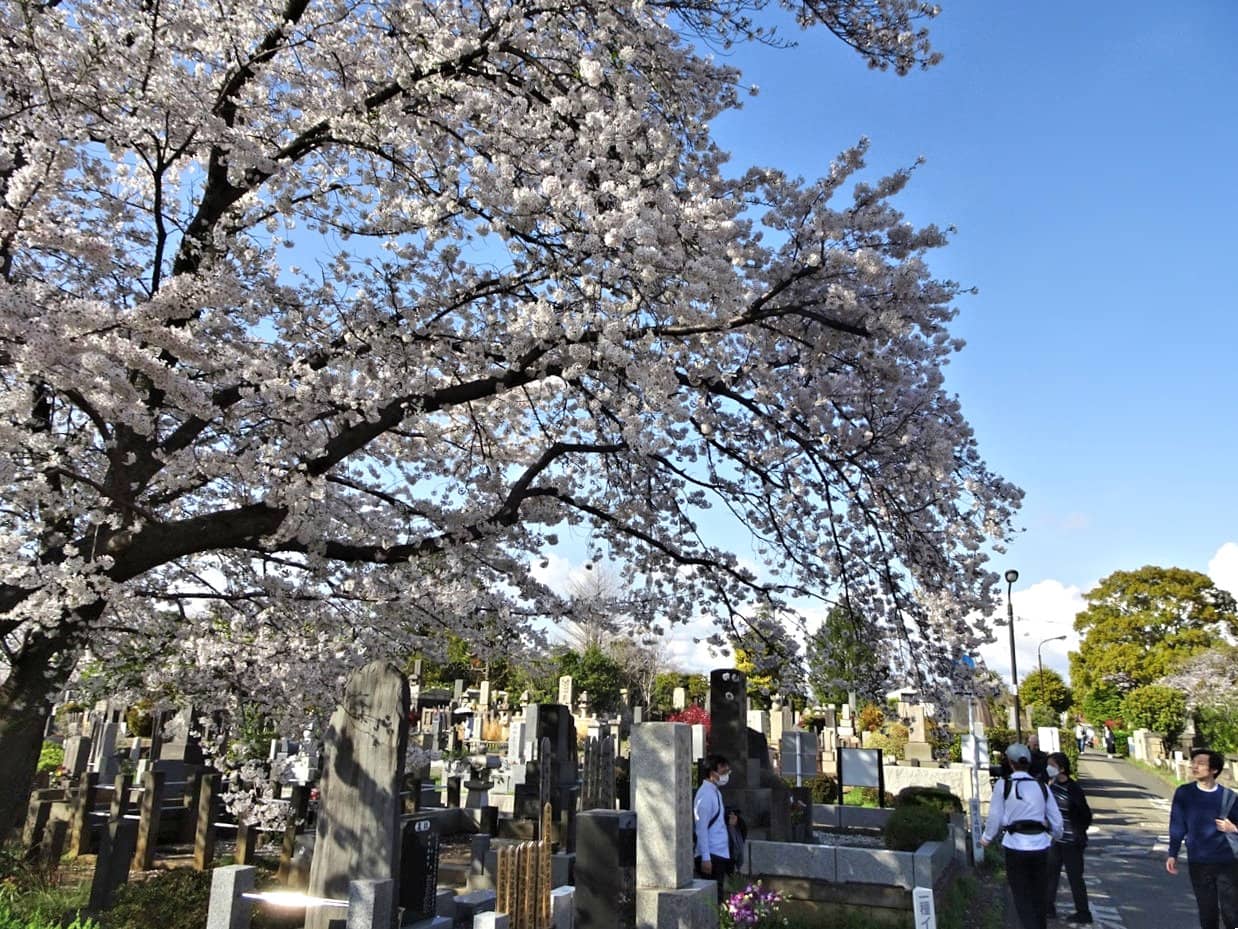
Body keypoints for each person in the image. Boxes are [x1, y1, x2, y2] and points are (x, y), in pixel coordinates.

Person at [982, 743, 1064, 929]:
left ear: (1010, 763)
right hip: (1041, 846)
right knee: (1039, 896)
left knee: (1021, 896)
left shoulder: (1004, 785)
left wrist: (986, 838)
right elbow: (1057, 822)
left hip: (1015, 845)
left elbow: (995, 816)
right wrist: (1054, 836)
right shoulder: (1041, 786)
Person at [1166, 748, 1238, 929]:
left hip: (1228, 861)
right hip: (1199, 861)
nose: (1194, 766)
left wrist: (1233, 828)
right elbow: (1177, 824)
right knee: (1207, 911)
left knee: (1232, 912)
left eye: (1201, 763)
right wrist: (1172, 853)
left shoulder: (1229, 796)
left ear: (1214, 770)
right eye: (1193, 763)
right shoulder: (1184, 793)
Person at [1044, 751, 1093, 924]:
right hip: (1055, 840)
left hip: (1072, 841)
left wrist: (1078, 830)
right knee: (1051, 874)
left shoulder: (1074, 789)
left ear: (1062, 768)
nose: (1049, 768)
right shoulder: (1051, 786)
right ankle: (1048, 907)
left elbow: (1086, 814)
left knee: (1075, 878)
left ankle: (1083, 912)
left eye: (1053, 765)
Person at [694, 754, 732, 903]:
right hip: (711, 854)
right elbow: (701, 828)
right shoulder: (705, 795)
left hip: (719, 852)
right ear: (712, 773)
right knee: (714, 900)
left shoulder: (714, 792)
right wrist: (705, 858)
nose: (726, 776)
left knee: (718, 897)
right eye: (723, 772)